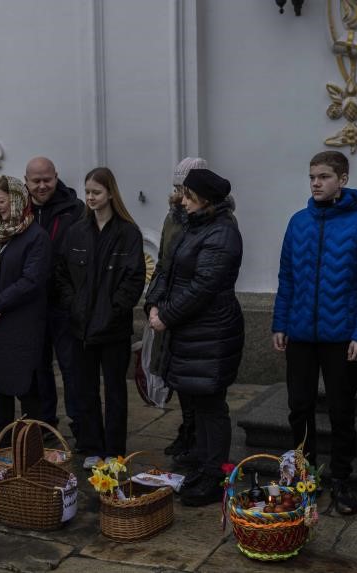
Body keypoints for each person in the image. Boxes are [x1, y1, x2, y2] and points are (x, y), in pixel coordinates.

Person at [272, 151, 357, 516]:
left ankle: (341, 479)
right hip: (301, 335)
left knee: (341, 410)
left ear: (343, 179)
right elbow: (287, 277)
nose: (316, 183)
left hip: (342, 338)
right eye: (312, 177)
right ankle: (305, 476)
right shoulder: (298, 222)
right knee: (299, 407)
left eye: (323, 176)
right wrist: (281, 323)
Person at [145, 168, 243, 506]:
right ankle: (202, 463)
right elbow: (167, 267)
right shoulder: (192, 226)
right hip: (188, 330)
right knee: (195, 403)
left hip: (210, 332)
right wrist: (154, 304)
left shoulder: (223, 232)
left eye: (188, 195)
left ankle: (215, 474)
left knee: (211, 404)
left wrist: (167, 315)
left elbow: (203, 286)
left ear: (204, 199)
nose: (182, 200)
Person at [56, 168, 145, 465]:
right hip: (81, 327)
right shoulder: (77, 232)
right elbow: (63, 274)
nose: (91, 198)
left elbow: (134, 279)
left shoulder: (127, 233)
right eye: (88, 192)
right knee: (86, 390)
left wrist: (115, 309)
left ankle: (114, 450)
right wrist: (72, 304)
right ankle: (93, 446)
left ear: (110, 193)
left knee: (116, 392)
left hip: (113, 328)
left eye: (96, 192)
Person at [0, 176, 51, 446]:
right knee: (0, 392)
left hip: (21, 326)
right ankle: (1, 449)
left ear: (17, 200)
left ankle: (30, 450)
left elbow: (32, 280)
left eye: (2, 201)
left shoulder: (35, 237)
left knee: (26, 390)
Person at [152, 157, 207, 462]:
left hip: (194, 311)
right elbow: (162, 261)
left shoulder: (215, 220)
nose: (178, 195)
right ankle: (187, 429)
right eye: (175, 188)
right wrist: (154, 301)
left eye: (183, 188)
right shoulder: (172, 217)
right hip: (170, 308)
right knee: (178, 378)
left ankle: (198, 437)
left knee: (199, 383)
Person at [25, 156, 84, 435]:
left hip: (63, 303)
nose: (41, 186)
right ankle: (44, 421)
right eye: (35, 181)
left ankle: (80, 422)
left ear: (56, 176)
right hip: (32, 305)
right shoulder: (20, 209)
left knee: (72, 367)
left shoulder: (74, 209)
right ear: (26, 181)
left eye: (47, 180)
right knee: (38, 368)